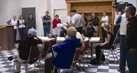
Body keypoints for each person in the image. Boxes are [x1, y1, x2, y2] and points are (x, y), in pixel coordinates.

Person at [116, 3, 133, 73]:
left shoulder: (122, 16)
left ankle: (122, 67)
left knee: (122, 52)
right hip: (131, 36)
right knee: (130, 52)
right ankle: (131, 67)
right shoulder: (134, 16)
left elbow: (116, 22)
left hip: (123, 36)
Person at [125, 6, 137, 73]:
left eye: (125, 12)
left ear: (128, 13)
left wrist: (134, 47)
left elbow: (132, 37)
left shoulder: (131, 24)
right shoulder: (135, 20)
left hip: (131, 50)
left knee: (132, 69)